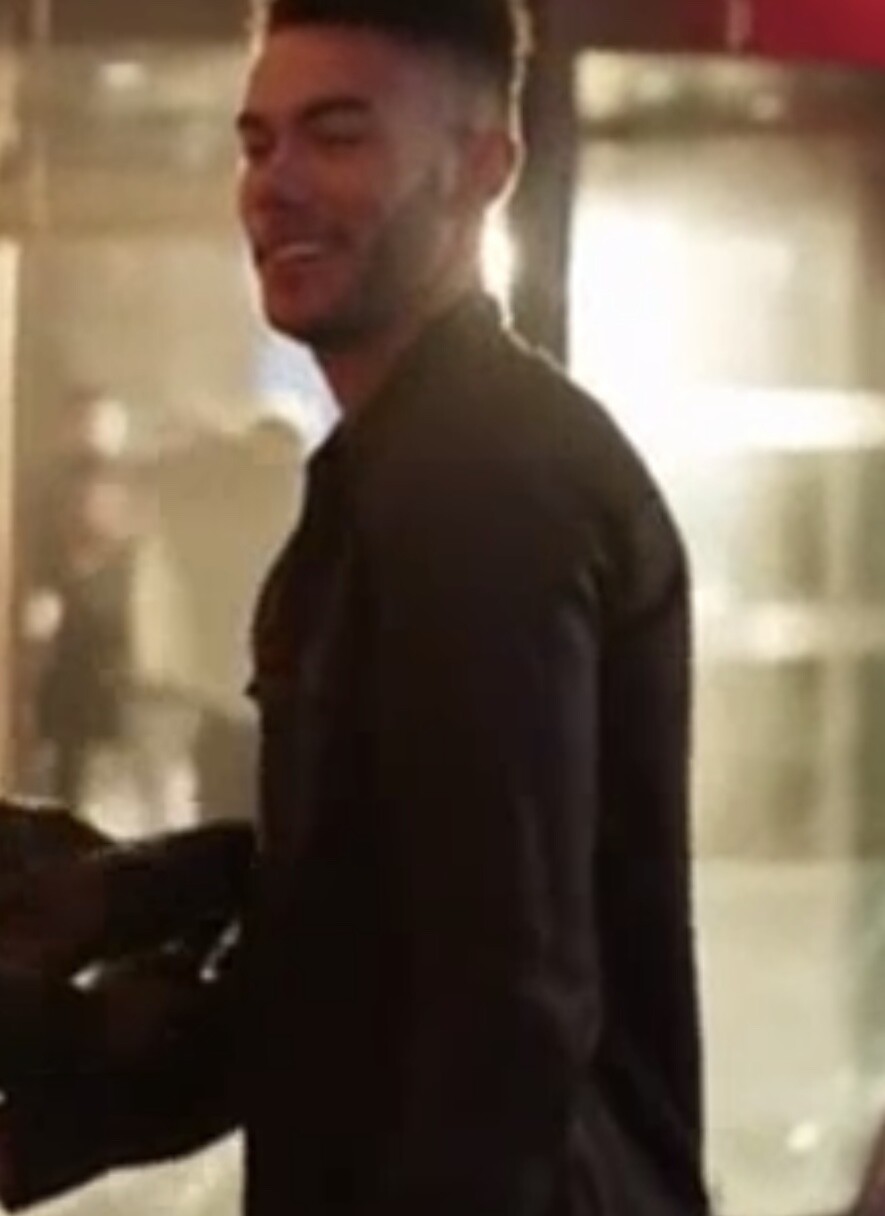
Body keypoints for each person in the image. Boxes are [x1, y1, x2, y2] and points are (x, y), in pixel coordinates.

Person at [0, 2, 710, 1214]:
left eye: (337, 136)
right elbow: (372, 928)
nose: (273, 184)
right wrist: (147, 902)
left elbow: (499, 1002)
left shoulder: (476, 481)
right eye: (257, 142)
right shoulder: (402, 471)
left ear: (484, 167)